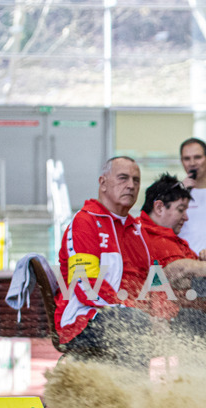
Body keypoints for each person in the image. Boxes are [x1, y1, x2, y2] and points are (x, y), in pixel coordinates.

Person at [54, 156, 154, 367]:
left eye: (136, 180)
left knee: (189, 323)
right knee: (134, 324)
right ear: (103, 183)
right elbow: (85, 284)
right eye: (123, 178)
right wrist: (130, 309)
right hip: (82, 319)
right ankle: (135, 396)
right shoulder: (85, 222)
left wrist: (161, 314)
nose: (131, 185)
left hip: (128, 316)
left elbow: (152, 282)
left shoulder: (137, 230)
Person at [138, 173, 206, 348]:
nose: (186, 217)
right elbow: (181, 269)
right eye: (180, 209)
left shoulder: (172, 239)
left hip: (190, 317)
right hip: (172, 323)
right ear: (159, 207)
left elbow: (191, 272)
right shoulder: (149, 236)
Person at [177, 137, 206, 259]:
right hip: (186, 264)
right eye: (187, 158)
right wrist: (180, 191)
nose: (192, 163)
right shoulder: (174, 195)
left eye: (197, 157)